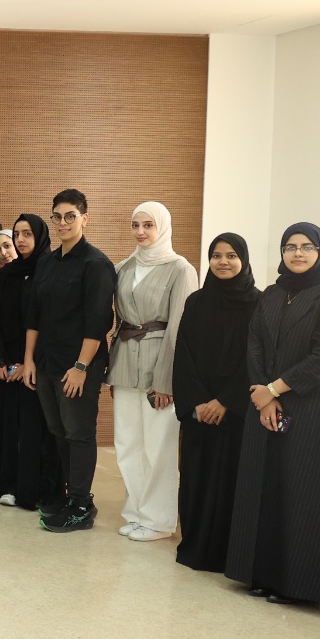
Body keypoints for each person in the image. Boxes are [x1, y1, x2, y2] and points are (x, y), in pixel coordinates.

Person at [226, 224, 320, 607]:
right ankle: (262, 574)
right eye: (290, 247)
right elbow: (254, 343)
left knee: (305, 493)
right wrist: (264, 395)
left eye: (306, 247)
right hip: (267, 404)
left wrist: (274, 390)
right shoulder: (272, 294)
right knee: (266, 488)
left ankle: (301, 585)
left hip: (316, 407)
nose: (297, 253)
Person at [22, 189, 116, 533]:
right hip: (47, 361)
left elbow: (98, 322)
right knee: (58, 430)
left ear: (84, 219)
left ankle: (81, 505)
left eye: (70, 216)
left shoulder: (96, 264)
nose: (63, 223)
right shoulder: (47, 262)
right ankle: (69, 496)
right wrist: (29, 360)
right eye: (57, 217)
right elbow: (34, 315)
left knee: (79, 433)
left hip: (78, 366)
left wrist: (80, 368)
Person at [108, 201, 199, 542]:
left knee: (158, 447)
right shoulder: (123, 267)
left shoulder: (180, 269)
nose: (141, 231)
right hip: (124, 363)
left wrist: (166, 381)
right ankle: (136, 512)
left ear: (163, 227)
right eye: (136, 225)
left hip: (159, 366)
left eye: (148, 225)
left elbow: (179, 329)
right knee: (127, 443)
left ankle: (158, 520)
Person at [172, 233, 260, 572]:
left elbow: (256, 360)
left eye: (232, 255)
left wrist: (225, 401)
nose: (223, 262)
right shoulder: (196, 302)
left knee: (232, 484)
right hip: (200, 414)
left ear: (244, 260)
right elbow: (184, 356)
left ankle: (230, 554)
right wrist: (198, 403)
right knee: (197, 478)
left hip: (237, 413)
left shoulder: (259, 303)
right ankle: (196, 547)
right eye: (216, 255)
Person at [0, 215, 56, 510]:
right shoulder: (8, 274)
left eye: (27, 234)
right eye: (17, 234)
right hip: (8, 364)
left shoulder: (49, 270)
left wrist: (28, 363)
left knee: (33, 430)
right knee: (6, 427)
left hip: (36, 364)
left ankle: (32, 490)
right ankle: (7, 485)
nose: (21, 239)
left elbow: (47, 322)